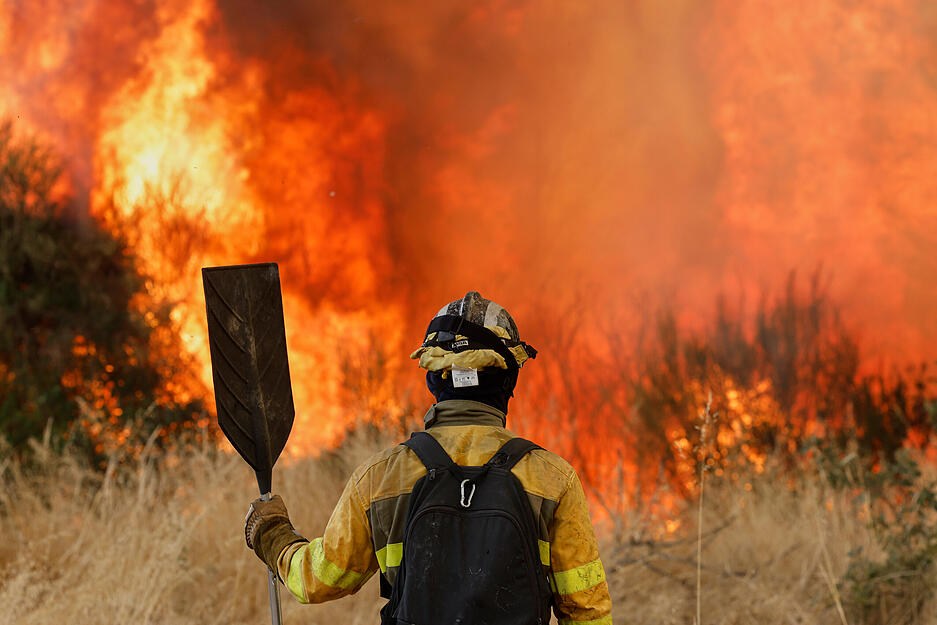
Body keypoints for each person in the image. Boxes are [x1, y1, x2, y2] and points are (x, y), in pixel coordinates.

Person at [244, 292, 613, 625]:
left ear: (433, 380)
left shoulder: (381, 477)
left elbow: (318, 580)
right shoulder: (553, 479)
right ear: (509, 381)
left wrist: (273, 534)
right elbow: (587, 610)